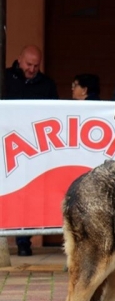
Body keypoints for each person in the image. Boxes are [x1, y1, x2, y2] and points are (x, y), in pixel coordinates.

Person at [6, 45, 59, 256]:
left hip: (31, 148)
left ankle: (23, 242)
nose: (32, 69)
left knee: (25, 194)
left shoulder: (47, 85)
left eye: (36, 66)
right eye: (29, 64)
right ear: (19, 59)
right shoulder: (5, 78)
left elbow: (54, 114)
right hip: (5, 144)